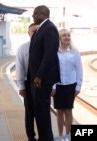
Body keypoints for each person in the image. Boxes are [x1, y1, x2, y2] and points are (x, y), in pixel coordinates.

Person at [28, 5, 60, 141]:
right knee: (39, 112)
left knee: (43, 112)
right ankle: (44, 138)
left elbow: (49, 55)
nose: (33, 16)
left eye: (35, 14)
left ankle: (46, 138)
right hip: (37, 79)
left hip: (43, 79)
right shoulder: (41, 29)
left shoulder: (50, 29)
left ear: (42, 14)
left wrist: (39, 75)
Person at [51, 29, 83, 136]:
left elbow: (79, 70)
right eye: (64, 35)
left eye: (68, 35)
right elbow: (52, 70)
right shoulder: (55, 52)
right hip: (58, 86)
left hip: (70, 86)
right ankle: (60, 135)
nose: (67, 37)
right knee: (59, 111)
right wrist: (53, 86)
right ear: (59, 38)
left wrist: (78, 86)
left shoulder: (75, 52)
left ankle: (68, 135)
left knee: (68, 111)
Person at [16, 23, 39, 141]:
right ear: (28, 33)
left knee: (42, 112)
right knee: (29, 112)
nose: (35, 33)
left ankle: (43, 135)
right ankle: (31, 137)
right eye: (33, 31)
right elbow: (19, 68)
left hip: (42, 85)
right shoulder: (23, 48)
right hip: (27, 84)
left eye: (37, 31)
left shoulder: (47, 47)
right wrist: (21, 86)